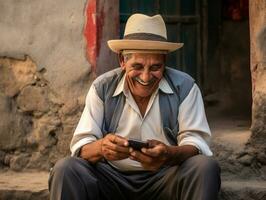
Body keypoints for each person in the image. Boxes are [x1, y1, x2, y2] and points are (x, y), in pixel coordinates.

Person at [49, 13, 221, 200]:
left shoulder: (186, 88)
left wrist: (168, 154)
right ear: (122, 61)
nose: (146, 77)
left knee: (205, 167)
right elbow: (82, 148)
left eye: (155, 68)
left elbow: (196, 144)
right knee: (66, 169)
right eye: (137, 66)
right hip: (111, 178)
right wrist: (102, 148)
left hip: (165, 178)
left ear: (165, 63)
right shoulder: (103, 87)